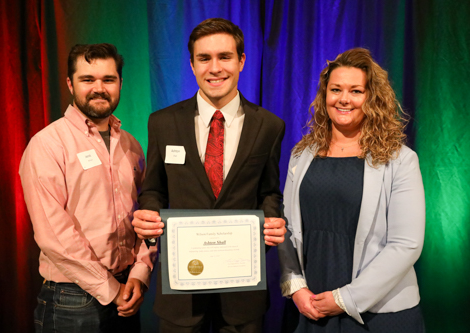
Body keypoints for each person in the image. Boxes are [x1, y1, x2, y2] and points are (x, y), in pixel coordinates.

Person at [132, 18, 287, 333]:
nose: (215, 68)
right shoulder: (162, 122)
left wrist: (271, 220)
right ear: (192, 65)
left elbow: (269, 192)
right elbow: (154, 191)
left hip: (242, 294)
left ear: (241, 61)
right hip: (181, 294)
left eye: (225, 57)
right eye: (204, 58)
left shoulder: (270, 126)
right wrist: (147, 215)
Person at [278, 48, 425, 332]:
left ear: (372, 98)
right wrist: (295, 286)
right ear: (324, 96)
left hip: (379, 314)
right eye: (335, 89)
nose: (344, 99)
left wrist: (346, 299)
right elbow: (286, 226)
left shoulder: (400, 159)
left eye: (356, 91)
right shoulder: (302, 154)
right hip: (311, 307)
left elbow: (406, 244)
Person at [19, 43, 156, 333]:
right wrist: (110, 289)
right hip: (71, 301)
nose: (99, 88)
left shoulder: (131, 145)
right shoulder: (47, 145)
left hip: (127, 291)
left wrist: (140, 274)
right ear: (70, 83)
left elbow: (147, 215)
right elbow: (53, 235)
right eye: (87, 80)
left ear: (120, 82)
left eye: (108, 79)